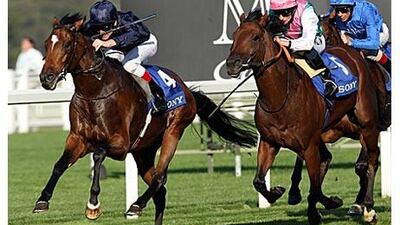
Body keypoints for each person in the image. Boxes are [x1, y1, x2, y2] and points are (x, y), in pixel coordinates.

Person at [84, 0, 166, 113]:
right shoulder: (91, 27)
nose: (101, 31)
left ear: (114, 21)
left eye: (106, 27)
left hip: (145, 43)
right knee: (107, 62)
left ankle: (157, 91)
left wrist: (111, 42)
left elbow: (139, 34)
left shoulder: (127, 19)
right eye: (98, 27)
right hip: (123, 49)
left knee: (129, 65)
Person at [269, 0, 338, 97]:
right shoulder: (273, 12)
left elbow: (308, 43)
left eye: (285, 13)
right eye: (277, 13)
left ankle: (327, 78)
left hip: (313, 41)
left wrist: (288, 43)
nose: (281, 17)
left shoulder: (306, 12)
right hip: (289, 39)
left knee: (306, 51)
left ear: (293, 8)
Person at [329, 0, 391, 75]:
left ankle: (391, 70)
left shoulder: (366, 11)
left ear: (351, 7)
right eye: (337, 10)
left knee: (369, 52)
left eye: (343, 10)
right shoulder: (336, 11)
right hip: (355, 35)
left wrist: (351, 42)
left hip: (378, 35)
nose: (339, 14)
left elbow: (374, 43)